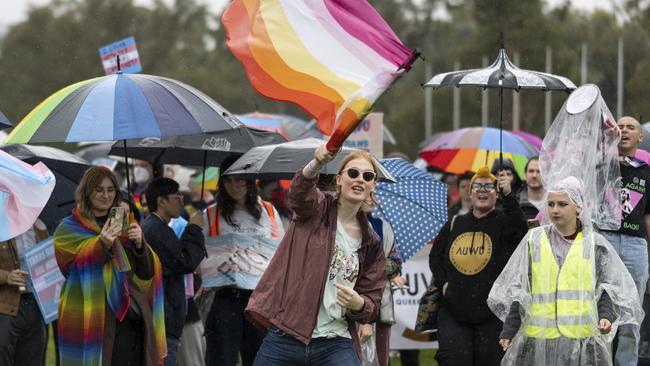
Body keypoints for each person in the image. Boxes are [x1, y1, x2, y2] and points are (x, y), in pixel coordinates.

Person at [248, 145, 387, 365]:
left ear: (373, 186)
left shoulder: (372, 242)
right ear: (339, 179)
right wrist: (315, 165)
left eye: (367, 176)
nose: (360, 179)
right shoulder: (316, 209)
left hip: (335, 342)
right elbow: (299, 194)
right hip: (287, 333)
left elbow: (372, 299)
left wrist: (359, 303)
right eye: (353, 173)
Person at [488, 177, 643, 365]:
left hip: (581, 341)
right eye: (551, 204)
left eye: (562, 204)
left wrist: (606, 315)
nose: (555, 210)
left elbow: (608, 288)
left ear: (578, 207)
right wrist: (510, 329)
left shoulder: (595, 245)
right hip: (540, 340)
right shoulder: (534, 241)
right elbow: (521, 289)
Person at [54, 166, 166, 366]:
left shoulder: (124, 224)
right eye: (99, 189)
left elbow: (146, 272)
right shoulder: (68, 227)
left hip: (129, 316)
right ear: (87, 191)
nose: (105, 195)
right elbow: (69, 269)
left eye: (110, 189)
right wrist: (101, 244)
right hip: (89, 314)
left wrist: (140, 245)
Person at [429, 165, 528, 366]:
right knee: (455, 360)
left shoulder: (503, 221)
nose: (482, 190)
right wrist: (444, 283)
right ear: (470, 191)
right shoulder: (455, 223)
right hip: (455, 312)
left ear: (496, 193)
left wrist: (509, 197)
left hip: (492, 314)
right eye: (477, 186)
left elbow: (520, 234)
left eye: (489, 186)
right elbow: (435, 257)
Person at [202, 159, 285, 366]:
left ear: (250, 181)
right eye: (229, 181)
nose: (234, 186)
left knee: (260, 360)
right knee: (221, 359)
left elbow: (281, 254)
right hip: (224, 298)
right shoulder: (210, 214)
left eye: (240, 179)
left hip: (261, 301)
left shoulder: (269, 212)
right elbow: (201, 257)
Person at [597, 116, 650, 365]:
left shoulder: (647, 171)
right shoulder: (602, 166)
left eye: (632, 127)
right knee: (601, 312)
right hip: (605, 240)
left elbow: (648, 216)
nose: (625, 130)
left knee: (631, 316)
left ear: (640, 137)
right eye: (622, 126)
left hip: (635, 244)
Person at [142, 177, 207, 366]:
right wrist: (194, 228)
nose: (181, 200)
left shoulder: (157, 226)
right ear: (161, 201)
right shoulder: (156, 229)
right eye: (177, 196)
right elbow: (185, 261)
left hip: (164, 316)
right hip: (163, 317)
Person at [359, 216, 407, 366]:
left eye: (372, 191)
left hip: (382, 303)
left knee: (381, 355)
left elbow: (396, 261)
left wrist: (391, 272)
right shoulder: (348, 223)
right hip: (355, 302)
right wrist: (384, 267)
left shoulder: (383, 225)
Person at [0, 218, 48, 366]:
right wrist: (7, 276)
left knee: (32, 358)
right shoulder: (2, 226)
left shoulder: (41, 227)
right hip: (5, 306)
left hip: (36, 304)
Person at [519, 157, 545, 221]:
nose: (534, 175)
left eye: (539, 171)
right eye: (531, 171)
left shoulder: (554, 203)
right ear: (525, 175)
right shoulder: (516, 204)